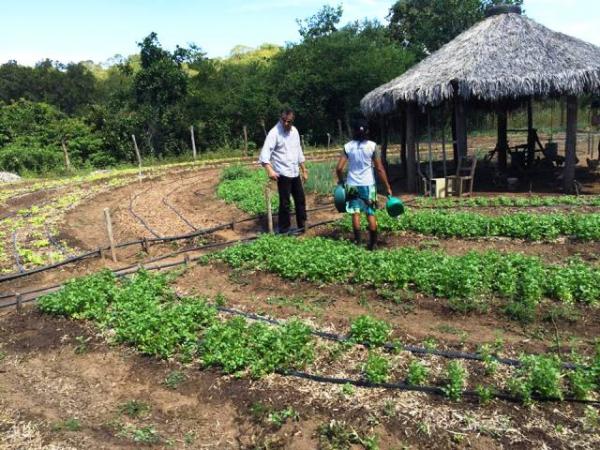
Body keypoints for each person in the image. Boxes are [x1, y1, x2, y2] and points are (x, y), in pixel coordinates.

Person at [335, 119, 392, 250]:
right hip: (368, 185)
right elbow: (379, 168)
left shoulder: (348, 146)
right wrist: (387, 186)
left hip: (352, 184)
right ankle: (373, 244)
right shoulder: (372, 146)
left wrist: (341, 181)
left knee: (355, 213)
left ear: (354, 131)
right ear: (367, 131)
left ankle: (358, 243)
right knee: (370, 212)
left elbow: (339, 168)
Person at [259, 108, 308, 233]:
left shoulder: (295, 131)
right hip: (282, 173)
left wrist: (304, 169)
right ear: (281, 119)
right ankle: (284, 229)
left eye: (289, 121)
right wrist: (270, 170)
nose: (286, 124)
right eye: (284, 121)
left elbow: (299, 152)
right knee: (285, 203)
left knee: (300, 200)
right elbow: (264, 155)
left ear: (292, 121)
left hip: (294, 172)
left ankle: (302, 226)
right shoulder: (274, 133)